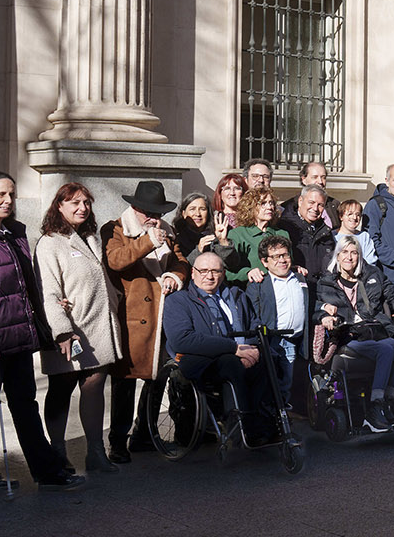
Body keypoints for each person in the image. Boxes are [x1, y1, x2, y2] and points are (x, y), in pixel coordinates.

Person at [0, 171, 83, 491]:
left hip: (17, 336)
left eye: (11, 195)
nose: (8, 201)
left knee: (25, 404)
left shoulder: (14, 232)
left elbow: (26, 283)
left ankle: (47, 470)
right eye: (0, 195)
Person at [37, 183, 124, 475]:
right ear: (58, 206)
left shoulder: (91, 238)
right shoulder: (50, 242)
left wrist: (115, 298)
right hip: (70, 328)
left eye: (86, 202)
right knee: (61, 389)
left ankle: (95, 453)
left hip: (98, 326)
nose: (82, 208)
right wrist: (62, 330)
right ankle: (57, 452)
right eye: (74, 202)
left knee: (95, 386)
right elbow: (48, 291)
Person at [103, 180, 189, 464]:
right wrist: (148, 241)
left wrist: (175, 276)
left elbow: (181, 262)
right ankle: (117, 441)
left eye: (159, 213)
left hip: (160, 316)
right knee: (124, 383)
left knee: (156, 380)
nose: (154, 218)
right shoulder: (114, 228)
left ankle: (145, 434)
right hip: (131, 318)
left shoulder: (167, 231)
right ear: (134, 207)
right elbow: (116, 261)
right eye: (148, 212)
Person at [163, 252, 275, 441]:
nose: (210, 276)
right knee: (232, 364)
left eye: (216, 271)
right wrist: (234, 348)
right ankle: (242, 427)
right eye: (204, 271)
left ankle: (266, 421)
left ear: (223, 273)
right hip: (200, 359)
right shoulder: (179, 301)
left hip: (239, 353)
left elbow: (253, 325)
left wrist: (253, 349)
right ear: (193, 272)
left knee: (269, 358)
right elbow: (181, 339)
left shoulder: (236, 296)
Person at [316, 236, 394, 431]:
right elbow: (316, 307)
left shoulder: (372, 274)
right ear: (338, 256)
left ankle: (388, 401)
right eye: (345, 252)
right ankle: (374, 407)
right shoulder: (327, 282)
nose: (350, 257)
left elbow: (391, 293)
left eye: (354, 253)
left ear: (360, 256)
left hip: (372, 329)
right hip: (348, 334)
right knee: (385, 350)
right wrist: (324, 315)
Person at [244, 234, 310, 405]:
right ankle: (270, 418)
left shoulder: (300, 278)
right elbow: (251, 315)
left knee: (287, 382)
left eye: (285, 255)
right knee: (268, 382)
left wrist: (324, 309)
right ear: (264, 262)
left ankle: (284, 416)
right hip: (270, 341)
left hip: (294, 340)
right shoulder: (257, 284)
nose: (282, 260)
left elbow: (310, 304)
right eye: (275, 256)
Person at [227, 187, 289, 285]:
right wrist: (247, 272)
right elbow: (227, 271)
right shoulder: (238, 234)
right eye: (263, 203)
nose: (269, 207)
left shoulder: (282, 234)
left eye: (271, 203)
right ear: (250, 207)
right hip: (251, 290)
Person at [280, 184, 335, 278]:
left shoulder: (326, 232)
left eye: (320, 205)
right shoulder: (285, 228)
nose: (315, 208)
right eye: (311, 202)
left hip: (322, 287)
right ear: (300, 201)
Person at [173, 191, 236, 266]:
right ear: (183, 214)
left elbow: (233, 265)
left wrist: (223, 242)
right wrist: (199, 250)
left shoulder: (217, 235)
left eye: (202, 209)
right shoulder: (177, 239)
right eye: (192, 209)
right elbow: (182, 267)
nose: (198, 214)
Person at [279, 161, 337, 231]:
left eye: (323, 177)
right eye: (315, 177)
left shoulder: (335, 205)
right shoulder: (289, 206)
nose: (320, 181)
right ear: (303, 179)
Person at [335, 199, 378, 267]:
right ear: (341, 216)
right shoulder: (333, 236)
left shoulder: (364, 237)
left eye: (358, 215)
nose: (354, 217)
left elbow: (370, 261)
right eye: (350, 214)